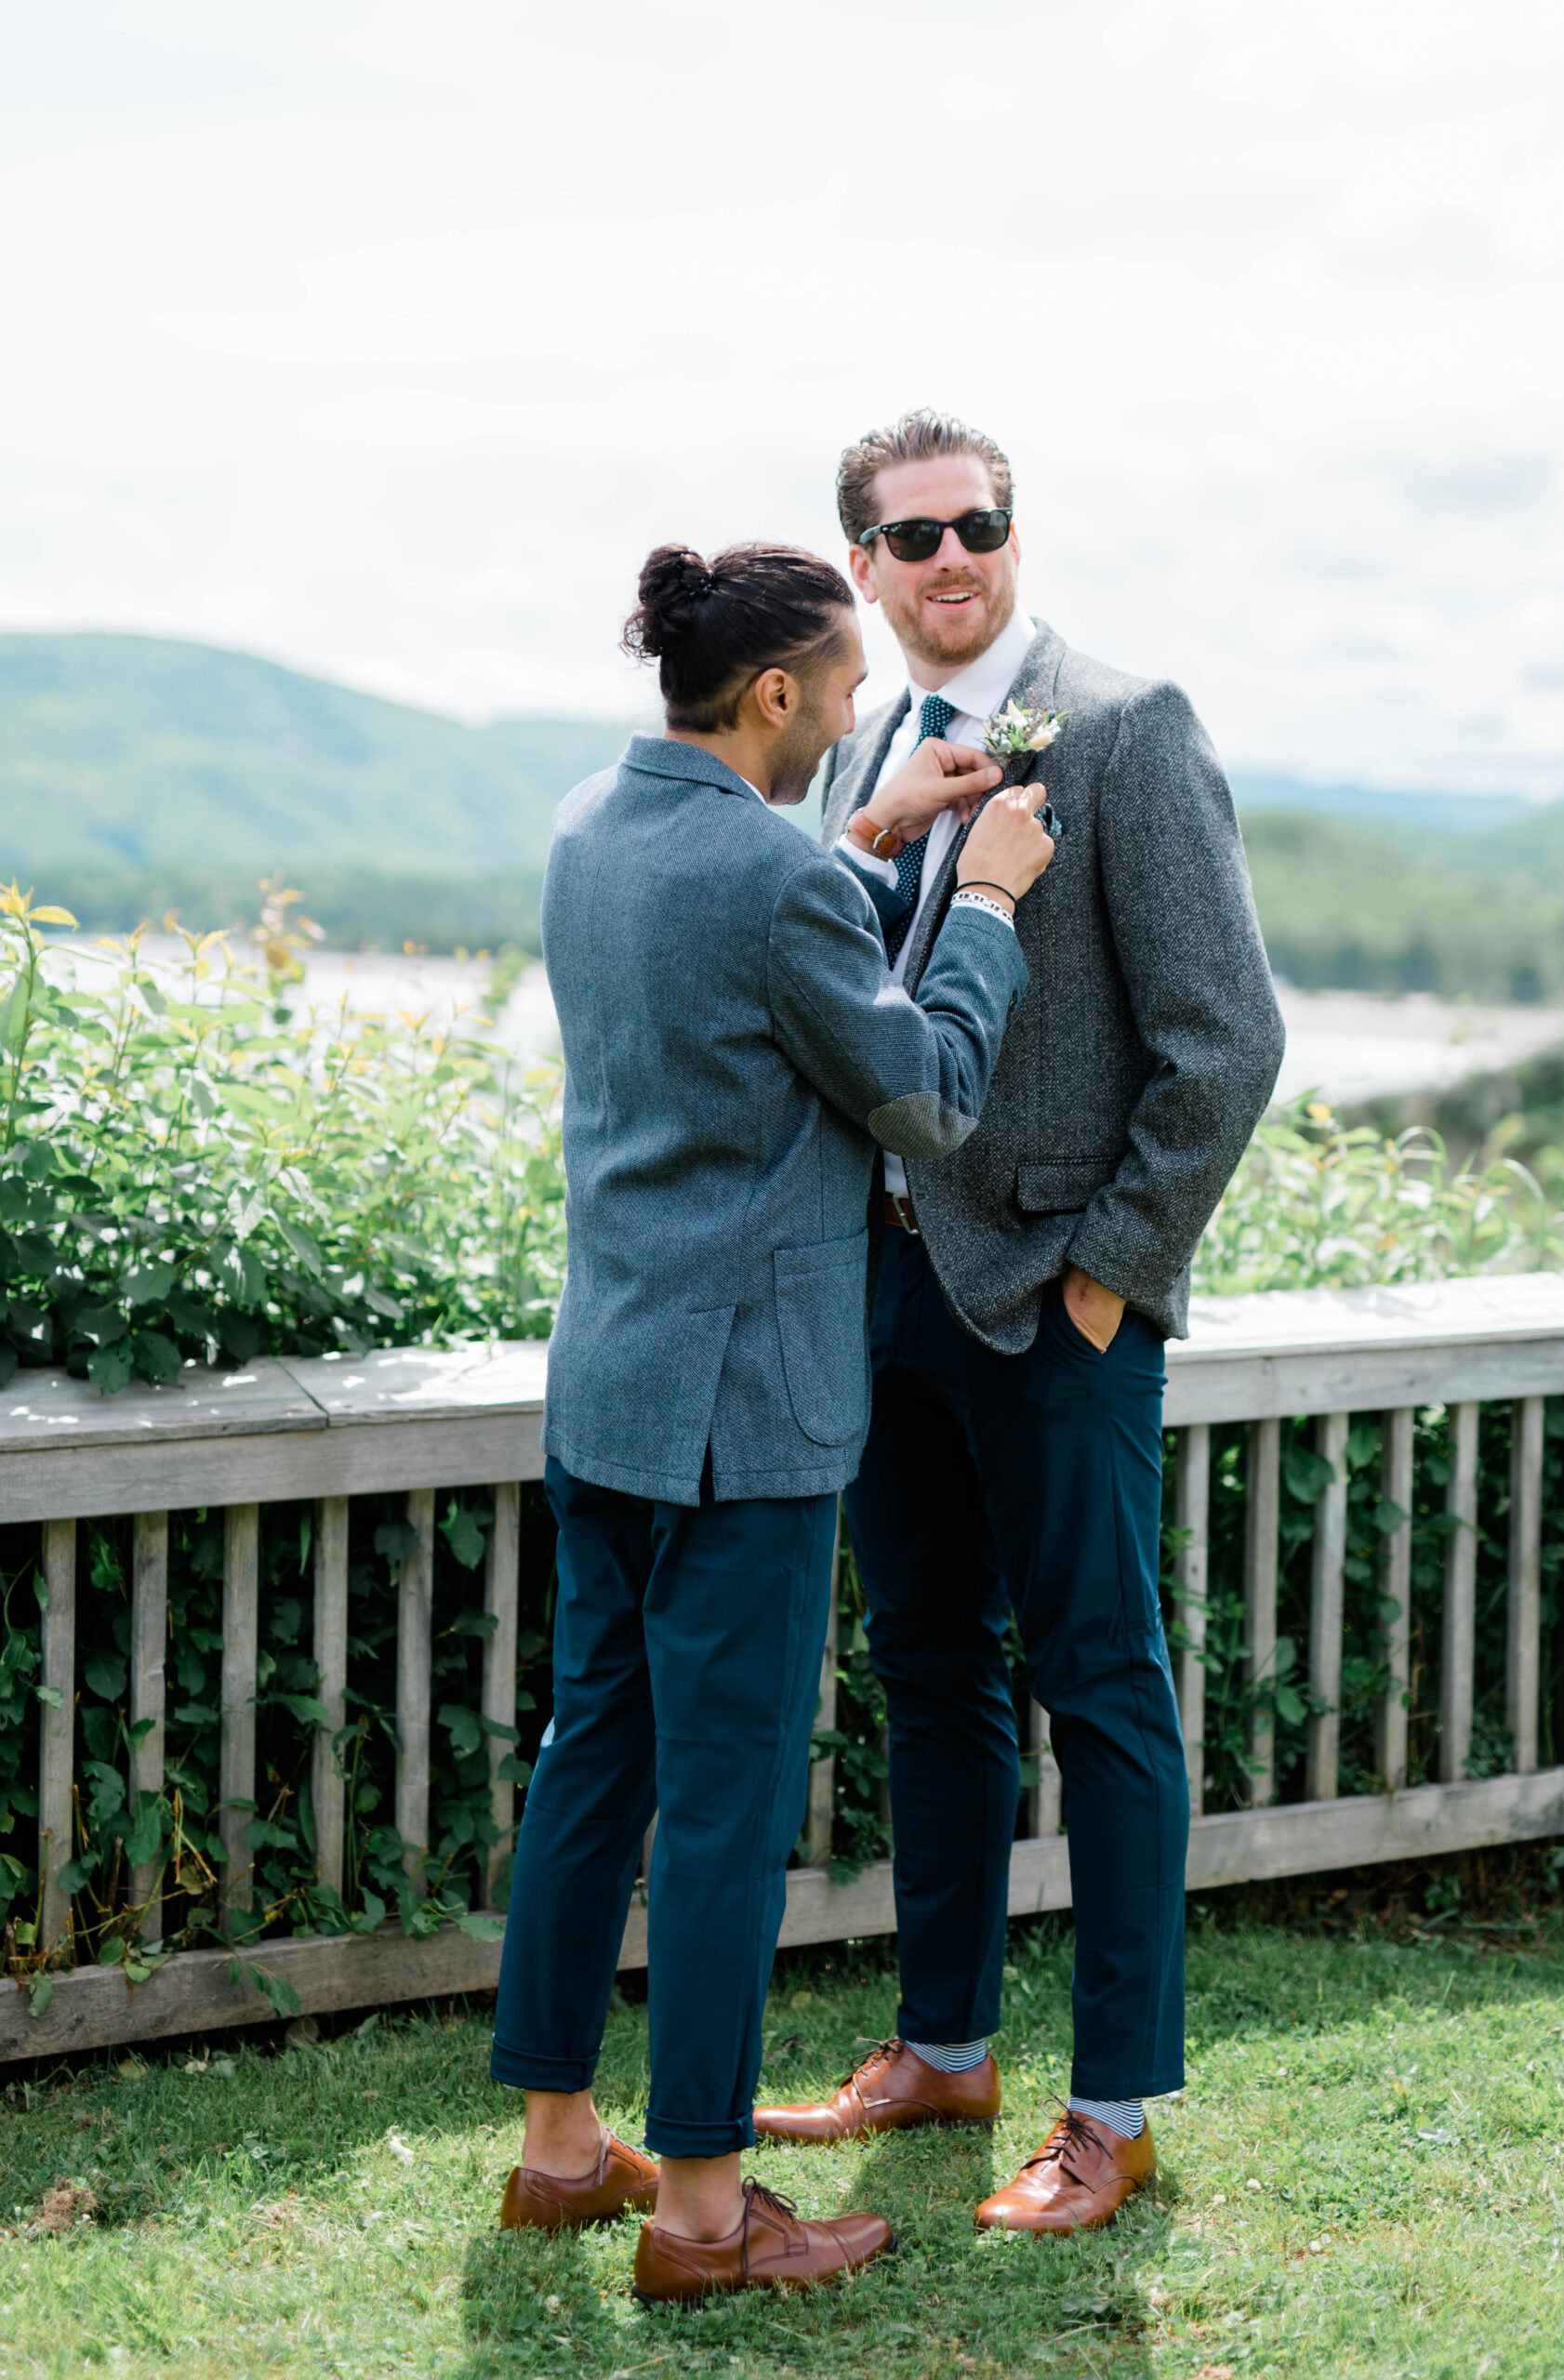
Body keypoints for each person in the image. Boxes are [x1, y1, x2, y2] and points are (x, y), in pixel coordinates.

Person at [487, 537, 1056, 2303]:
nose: (857, 713)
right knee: (729, 1806)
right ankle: (710, 2215)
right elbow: (930, 1100)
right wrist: (984, 906)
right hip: (749, 1414)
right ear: (779, 697)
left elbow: (741, 951)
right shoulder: (777, 880)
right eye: (840, 688)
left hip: (613, 1386)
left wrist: (869, 840)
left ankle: (567, 2152)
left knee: (597, 1763)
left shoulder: (596, 820)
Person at [753, 411, 1285, 2234]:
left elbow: (1227, 1037)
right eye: (913, 536)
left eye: (979, 521)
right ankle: (947, 2043)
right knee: (927, 1671)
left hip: (1055, 1299)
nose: (952, 554)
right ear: (868, 571)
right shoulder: (853, 754)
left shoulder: (1129, 728)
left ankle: (1116, 2105)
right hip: (878, 1283)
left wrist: (1109, 1269)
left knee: (1105, 1689)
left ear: (1011, 538)